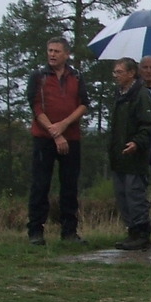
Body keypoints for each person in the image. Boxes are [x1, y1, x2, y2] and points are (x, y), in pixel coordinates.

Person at [26, 36, 90, 245]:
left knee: (70, 186)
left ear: (66, 54)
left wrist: (63, 125)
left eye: (56, 51)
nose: (52, 55)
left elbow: (83, 104)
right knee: (40, 185)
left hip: (71, 137)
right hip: (44, 137)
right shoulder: (38, 76)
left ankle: (69, 232)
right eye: (50, 51)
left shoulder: (77, 77)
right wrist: (55, 132)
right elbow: (36, 107)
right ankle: (36, 231)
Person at [109, 57, 151, 251]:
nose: (116, 76)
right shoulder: (120, 95)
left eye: (119, 72)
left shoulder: (141, 95)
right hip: (119, 156)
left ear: (131, 73)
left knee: (134, 195)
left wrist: (137, 142)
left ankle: (142, 234)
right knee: (122, 195)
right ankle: (131, 232)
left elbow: (148, 125)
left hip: (136, 157)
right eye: (115, 72)